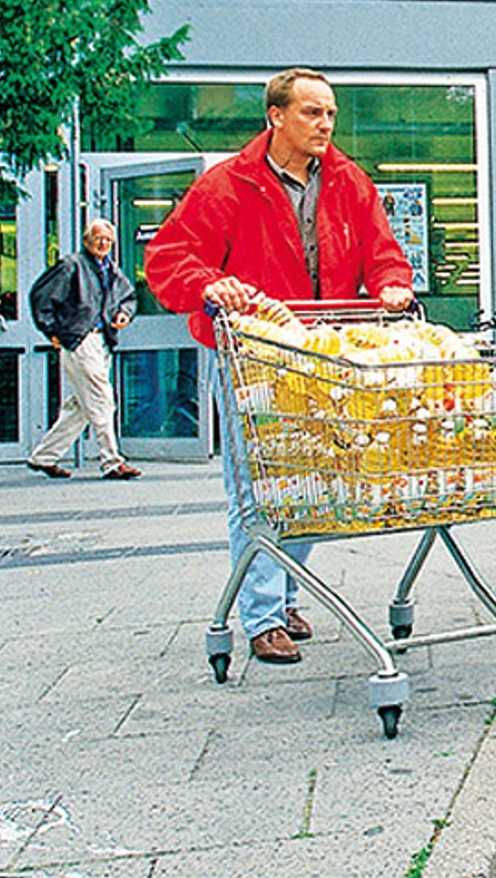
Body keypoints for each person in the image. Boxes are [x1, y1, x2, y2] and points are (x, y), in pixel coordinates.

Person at [147, 68, 413, 665]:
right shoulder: (228, 185)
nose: (326, 124)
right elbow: (169, 258)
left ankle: (285, 594)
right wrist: (210, 284)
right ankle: (262, 616)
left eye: (331, 113)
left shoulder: (348, 182)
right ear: (276, 116)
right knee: (257, 487)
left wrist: (392, 285)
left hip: (321, 357)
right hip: (253, 356)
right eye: (312, 112)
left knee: (314, 482)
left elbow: (383, 254)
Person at [25, 218, 140, 480]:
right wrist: (52, 331)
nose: (103, 244)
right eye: (98, 238)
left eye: (108, 240)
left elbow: (128, 297)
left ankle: (43, 457)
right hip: (80, 339)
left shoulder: (111, 270)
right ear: (86, 240)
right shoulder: (71, 265)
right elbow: (41, 297)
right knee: (102, 400)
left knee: (79, 407)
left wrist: (124, 313)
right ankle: (112, 461)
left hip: (101, 340)